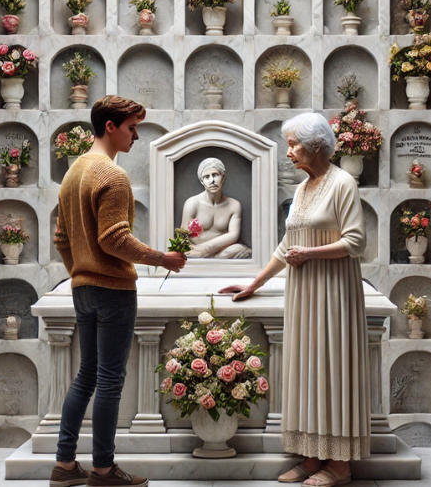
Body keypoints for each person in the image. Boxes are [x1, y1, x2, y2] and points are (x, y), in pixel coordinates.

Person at [220, 113, 370, 487]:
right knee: (308, 371)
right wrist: (252, 284)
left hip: (334, 295)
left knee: (333, 371)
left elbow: (355, 242)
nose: (288, 152)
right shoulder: (303, 188)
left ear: (317, 144)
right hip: (304, 295)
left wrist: (310, 255)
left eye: (293, 144)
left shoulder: (343, 183)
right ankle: (312, 456)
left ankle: (340, 466)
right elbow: (287, 247)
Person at [50, 95, 187, 487]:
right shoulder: (112, 175)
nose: (136, 135)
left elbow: (62, 238)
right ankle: (104, 471)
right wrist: (162, 258)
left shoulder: (74, 171)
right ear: (110, 126)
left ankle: (63, 465)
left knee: (86, 376)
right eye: (131, 128)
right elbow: (114, 240)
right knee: (109, 380)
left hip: (83, 289)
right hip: (112, 291)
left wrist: (80, 270)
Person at [181, 157, 251, 259]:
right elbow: (183, 236)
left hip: (221, 251)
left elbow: (233, 235)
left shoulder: (233, 205)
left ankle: (215, 259)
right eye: (206, 177)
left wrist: (206, 248)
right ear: (202, 181)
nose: (212, 180)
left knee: (240, 248)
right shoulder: (192, 203)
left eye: (215, 175)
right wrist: (197, 250)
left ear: (223, 177)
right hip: (196, 251)